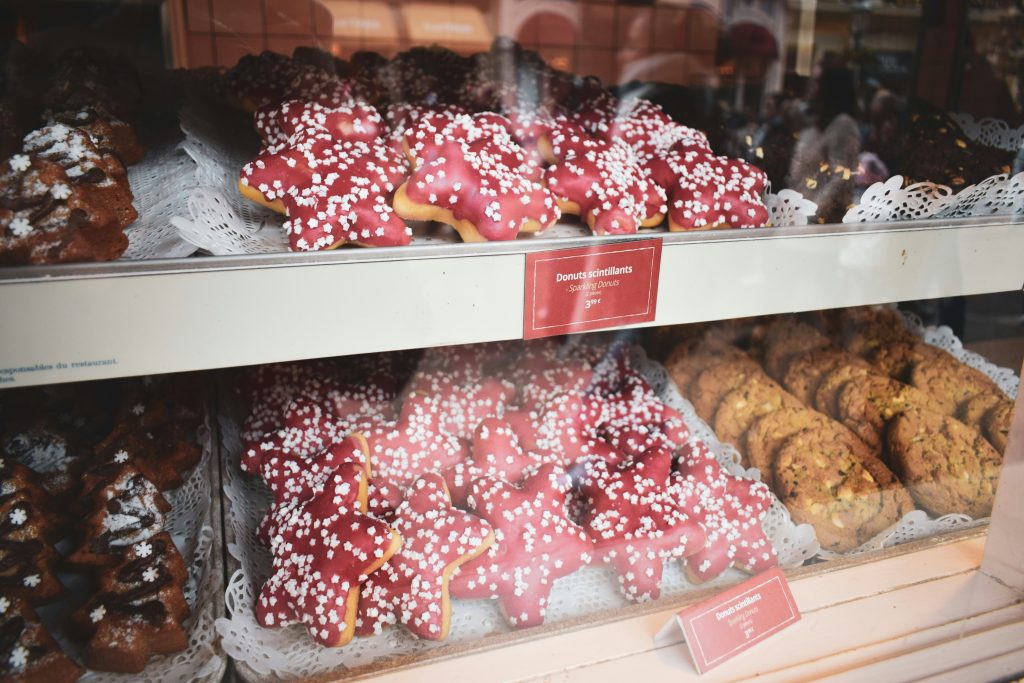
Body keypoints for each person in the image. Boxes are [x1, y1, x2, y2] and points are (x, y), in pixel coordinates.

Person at [787, 64, 861, 223]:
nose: (810, 86)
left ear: (830, 87)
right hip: (799, 215)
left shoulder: (843, 125)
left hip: (819, 223)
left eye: (817, 81)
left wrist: (812, 215)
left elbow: (841, 178)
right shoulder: (814, 125)